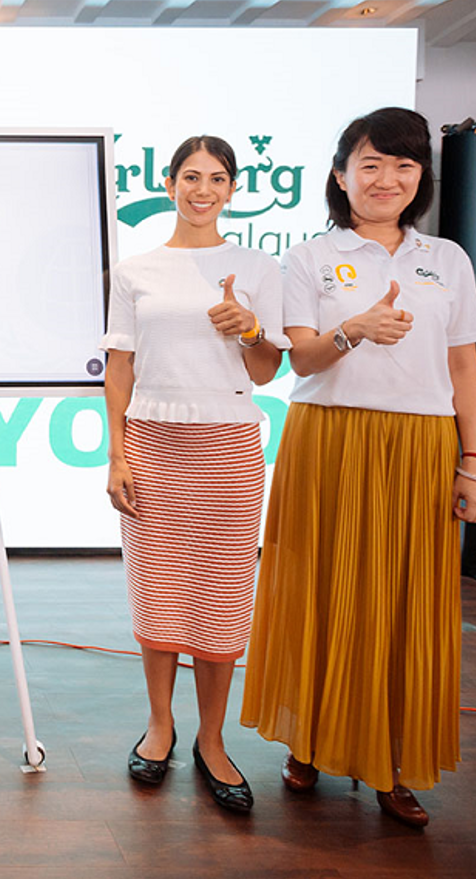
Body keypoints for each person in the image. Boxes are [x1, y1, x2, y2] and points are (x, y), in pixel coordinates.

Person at [240, 107, 476, 828]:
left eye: (405, 166)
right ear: (340, 173)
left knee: (405, 601)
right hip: (329, 439)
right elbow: (301, 357)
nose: (387, 179)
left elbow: (463, 366)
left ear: (422, 179)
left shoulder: (446, 259)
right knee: (319, 591)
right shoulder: (309, 257)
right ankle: (310, 744)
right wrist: (352, 330)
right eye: (372, 164)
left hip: (419, 446)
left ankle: (393, 762)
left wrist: (474, 463)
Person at [103, 135, 287, 813]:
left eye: (216, 178)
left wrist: (248, 329)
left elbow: (268, 369)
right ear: (169, 182)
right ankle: (160, 724)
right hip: (152, 442)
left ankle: (212, 739)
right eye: (189, 176)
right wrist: (118, 452)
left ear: (233, 189)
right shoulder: (135, 270)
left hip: (229, 446)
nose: (202, 189)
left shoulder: (258, 266)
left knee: (220, 597)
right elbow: (119, 367)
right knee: (157, 592)